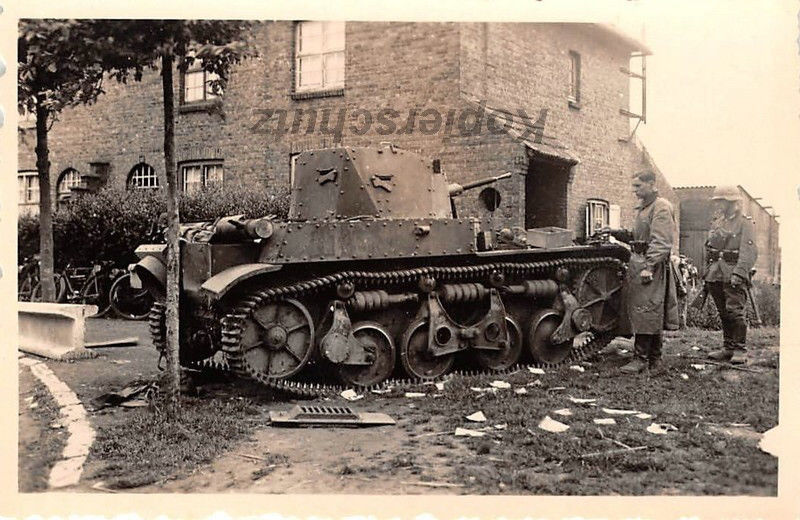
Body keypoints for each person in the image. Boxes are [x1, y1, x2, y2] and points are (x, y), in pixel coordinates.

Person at [602, 170, 679, 373]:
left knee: (647, 310)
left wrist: (650, 266)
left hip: (648, 264)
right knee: (646, 309)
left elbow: (661, 241)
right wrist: (614, 232)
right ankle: (654, 359)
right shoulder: (645, 208)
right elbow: (637, 237)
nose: (634, 190)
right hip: (640, 262)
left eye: (638, 186)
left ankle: (642, 359)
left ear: (652, 184)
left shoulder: (661, 207)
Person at [703, 185, 757, 364]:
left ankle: (740, 349)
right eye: (718, 201)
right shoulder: (718, 221)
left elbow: (749, 251)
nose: (718, 205)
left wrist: (740, 274)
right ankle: (728, 347)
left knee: (735, 312)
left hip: (733, 271)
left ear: (732, 202)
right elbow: (709, 247)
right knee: (723, 312)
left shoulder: (745, 222)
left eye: (722, 201)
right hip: (716, 272)